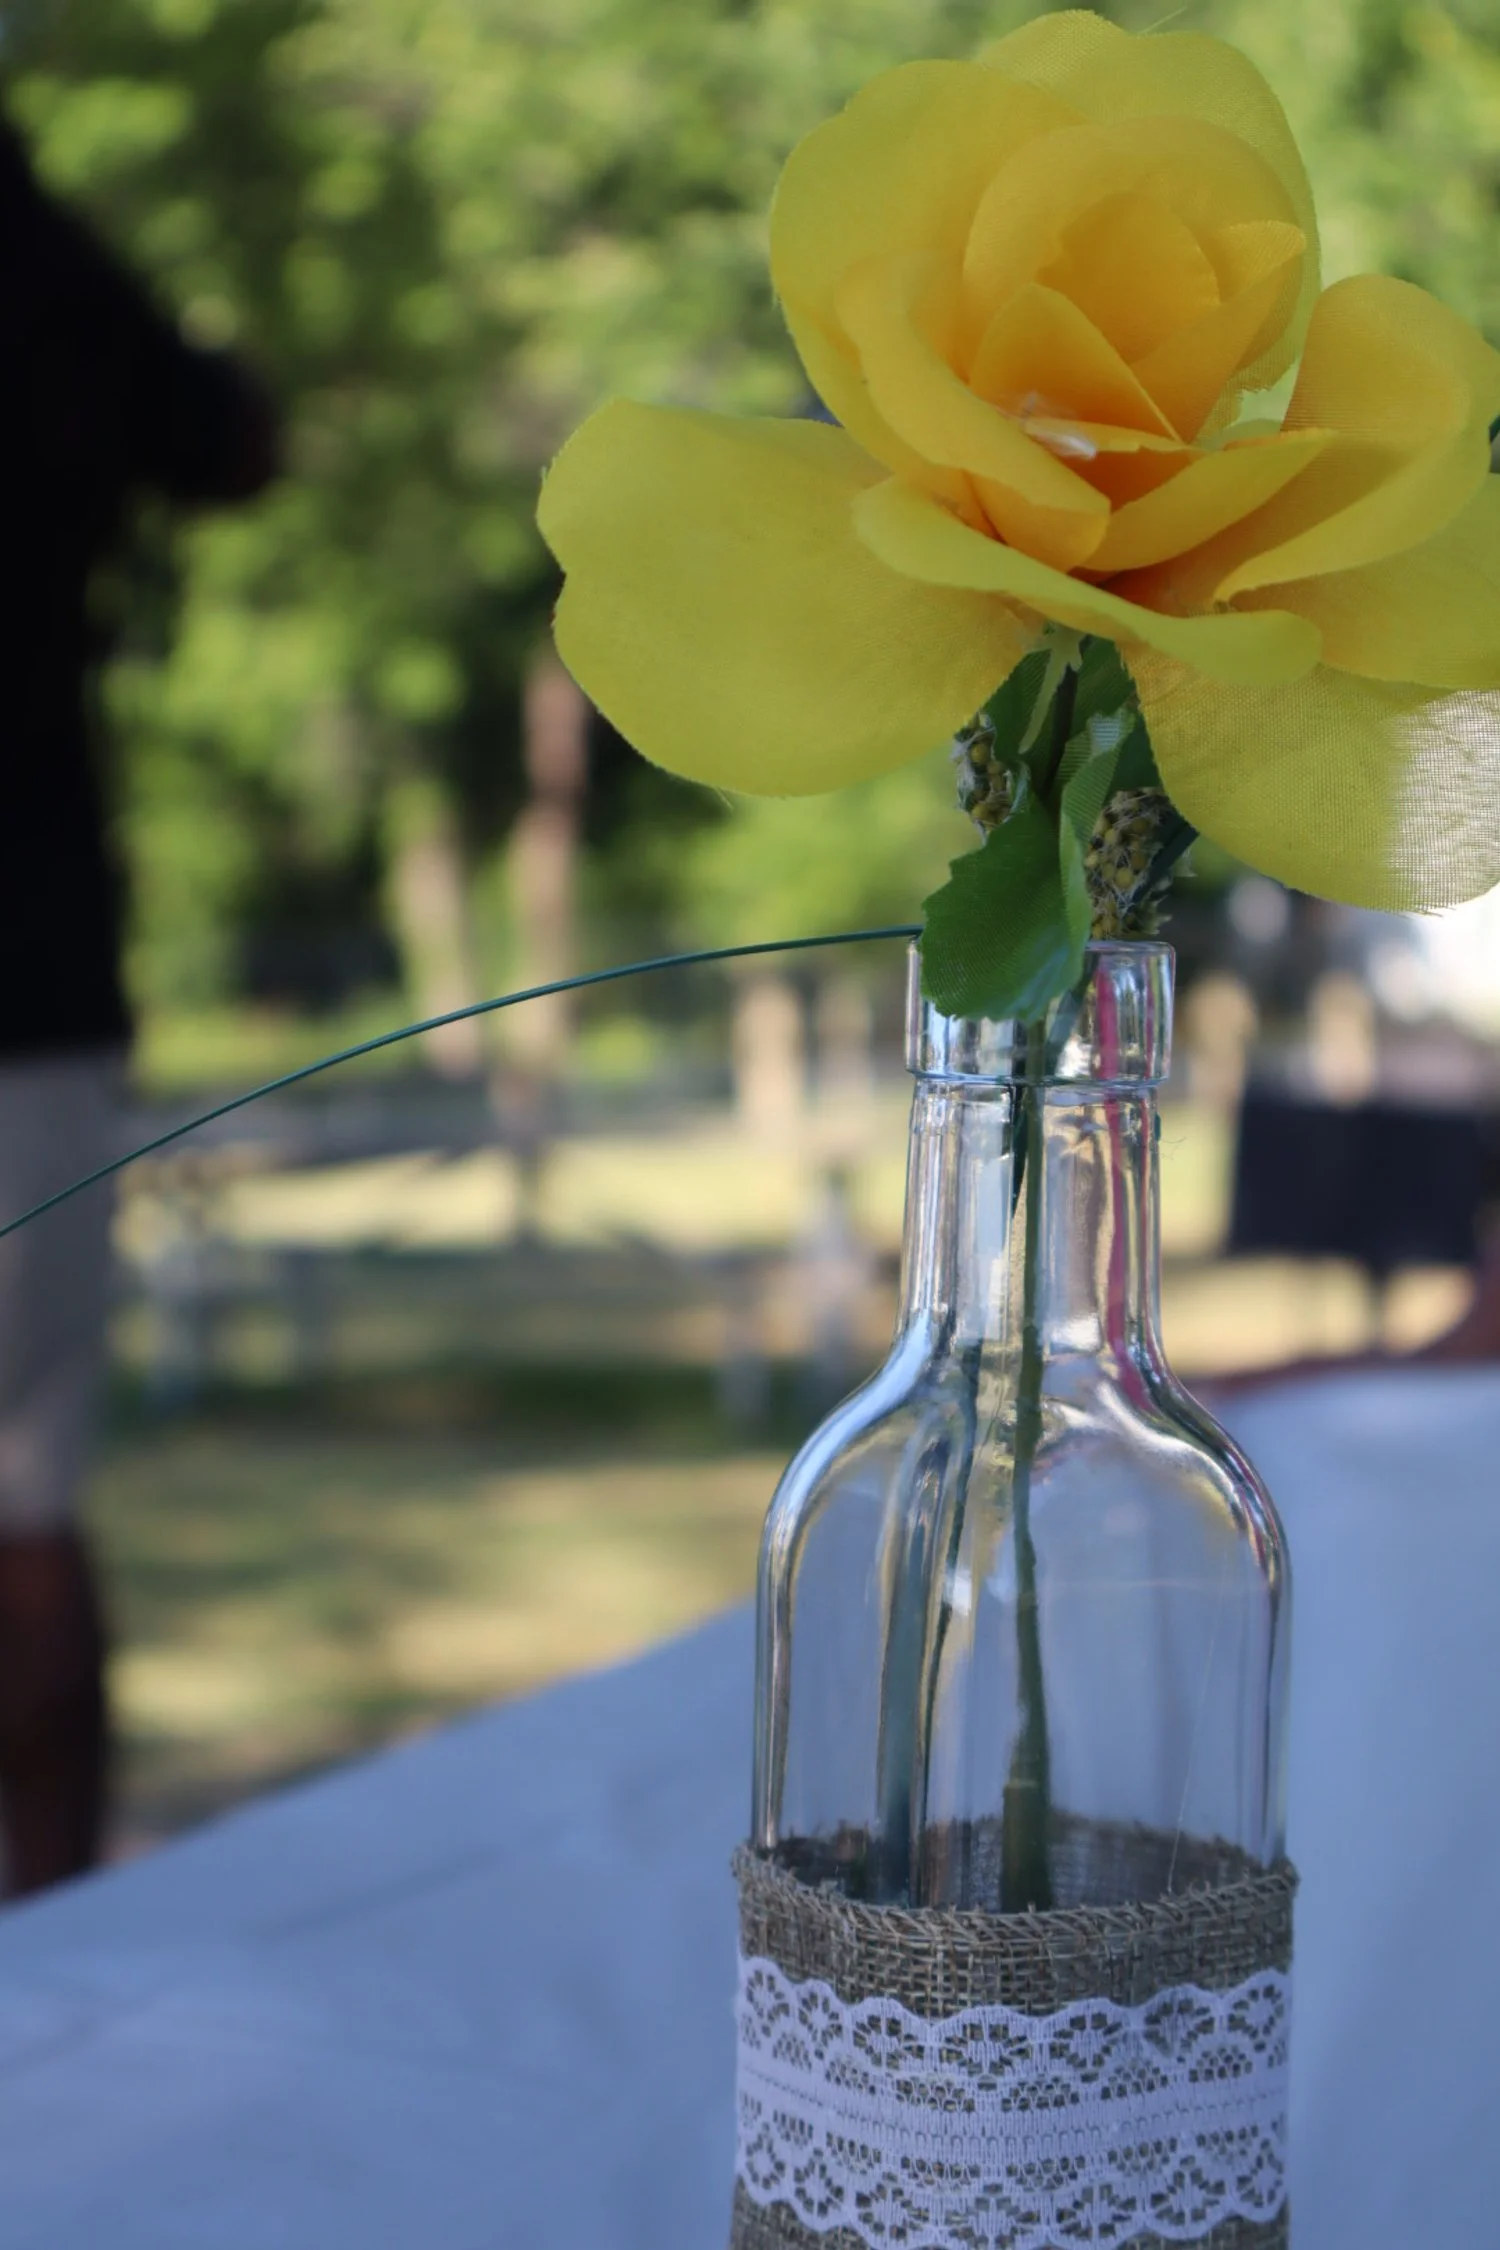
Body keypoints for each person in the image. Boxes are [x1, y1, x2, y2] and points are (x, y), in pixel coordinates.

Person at [0, 120, 278, 1895]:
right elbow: (229, 435)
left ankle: (52, 1933)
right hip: (33, 965)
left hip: (29, 968)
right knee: (23, 1489)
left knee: (26, 1495)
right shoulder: (52, 273)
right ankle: (53, 1933)